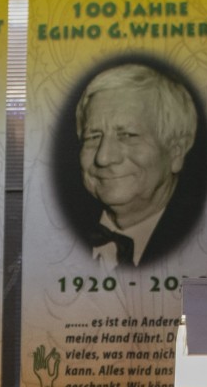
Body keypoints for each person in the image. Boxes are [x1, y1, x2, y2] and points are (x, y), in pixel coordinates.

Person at [75, 63, 199, 266]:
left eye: (128, 135)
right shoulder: (55, 236)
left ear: (176, 153)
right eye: (93, 137)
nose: (103, 158)